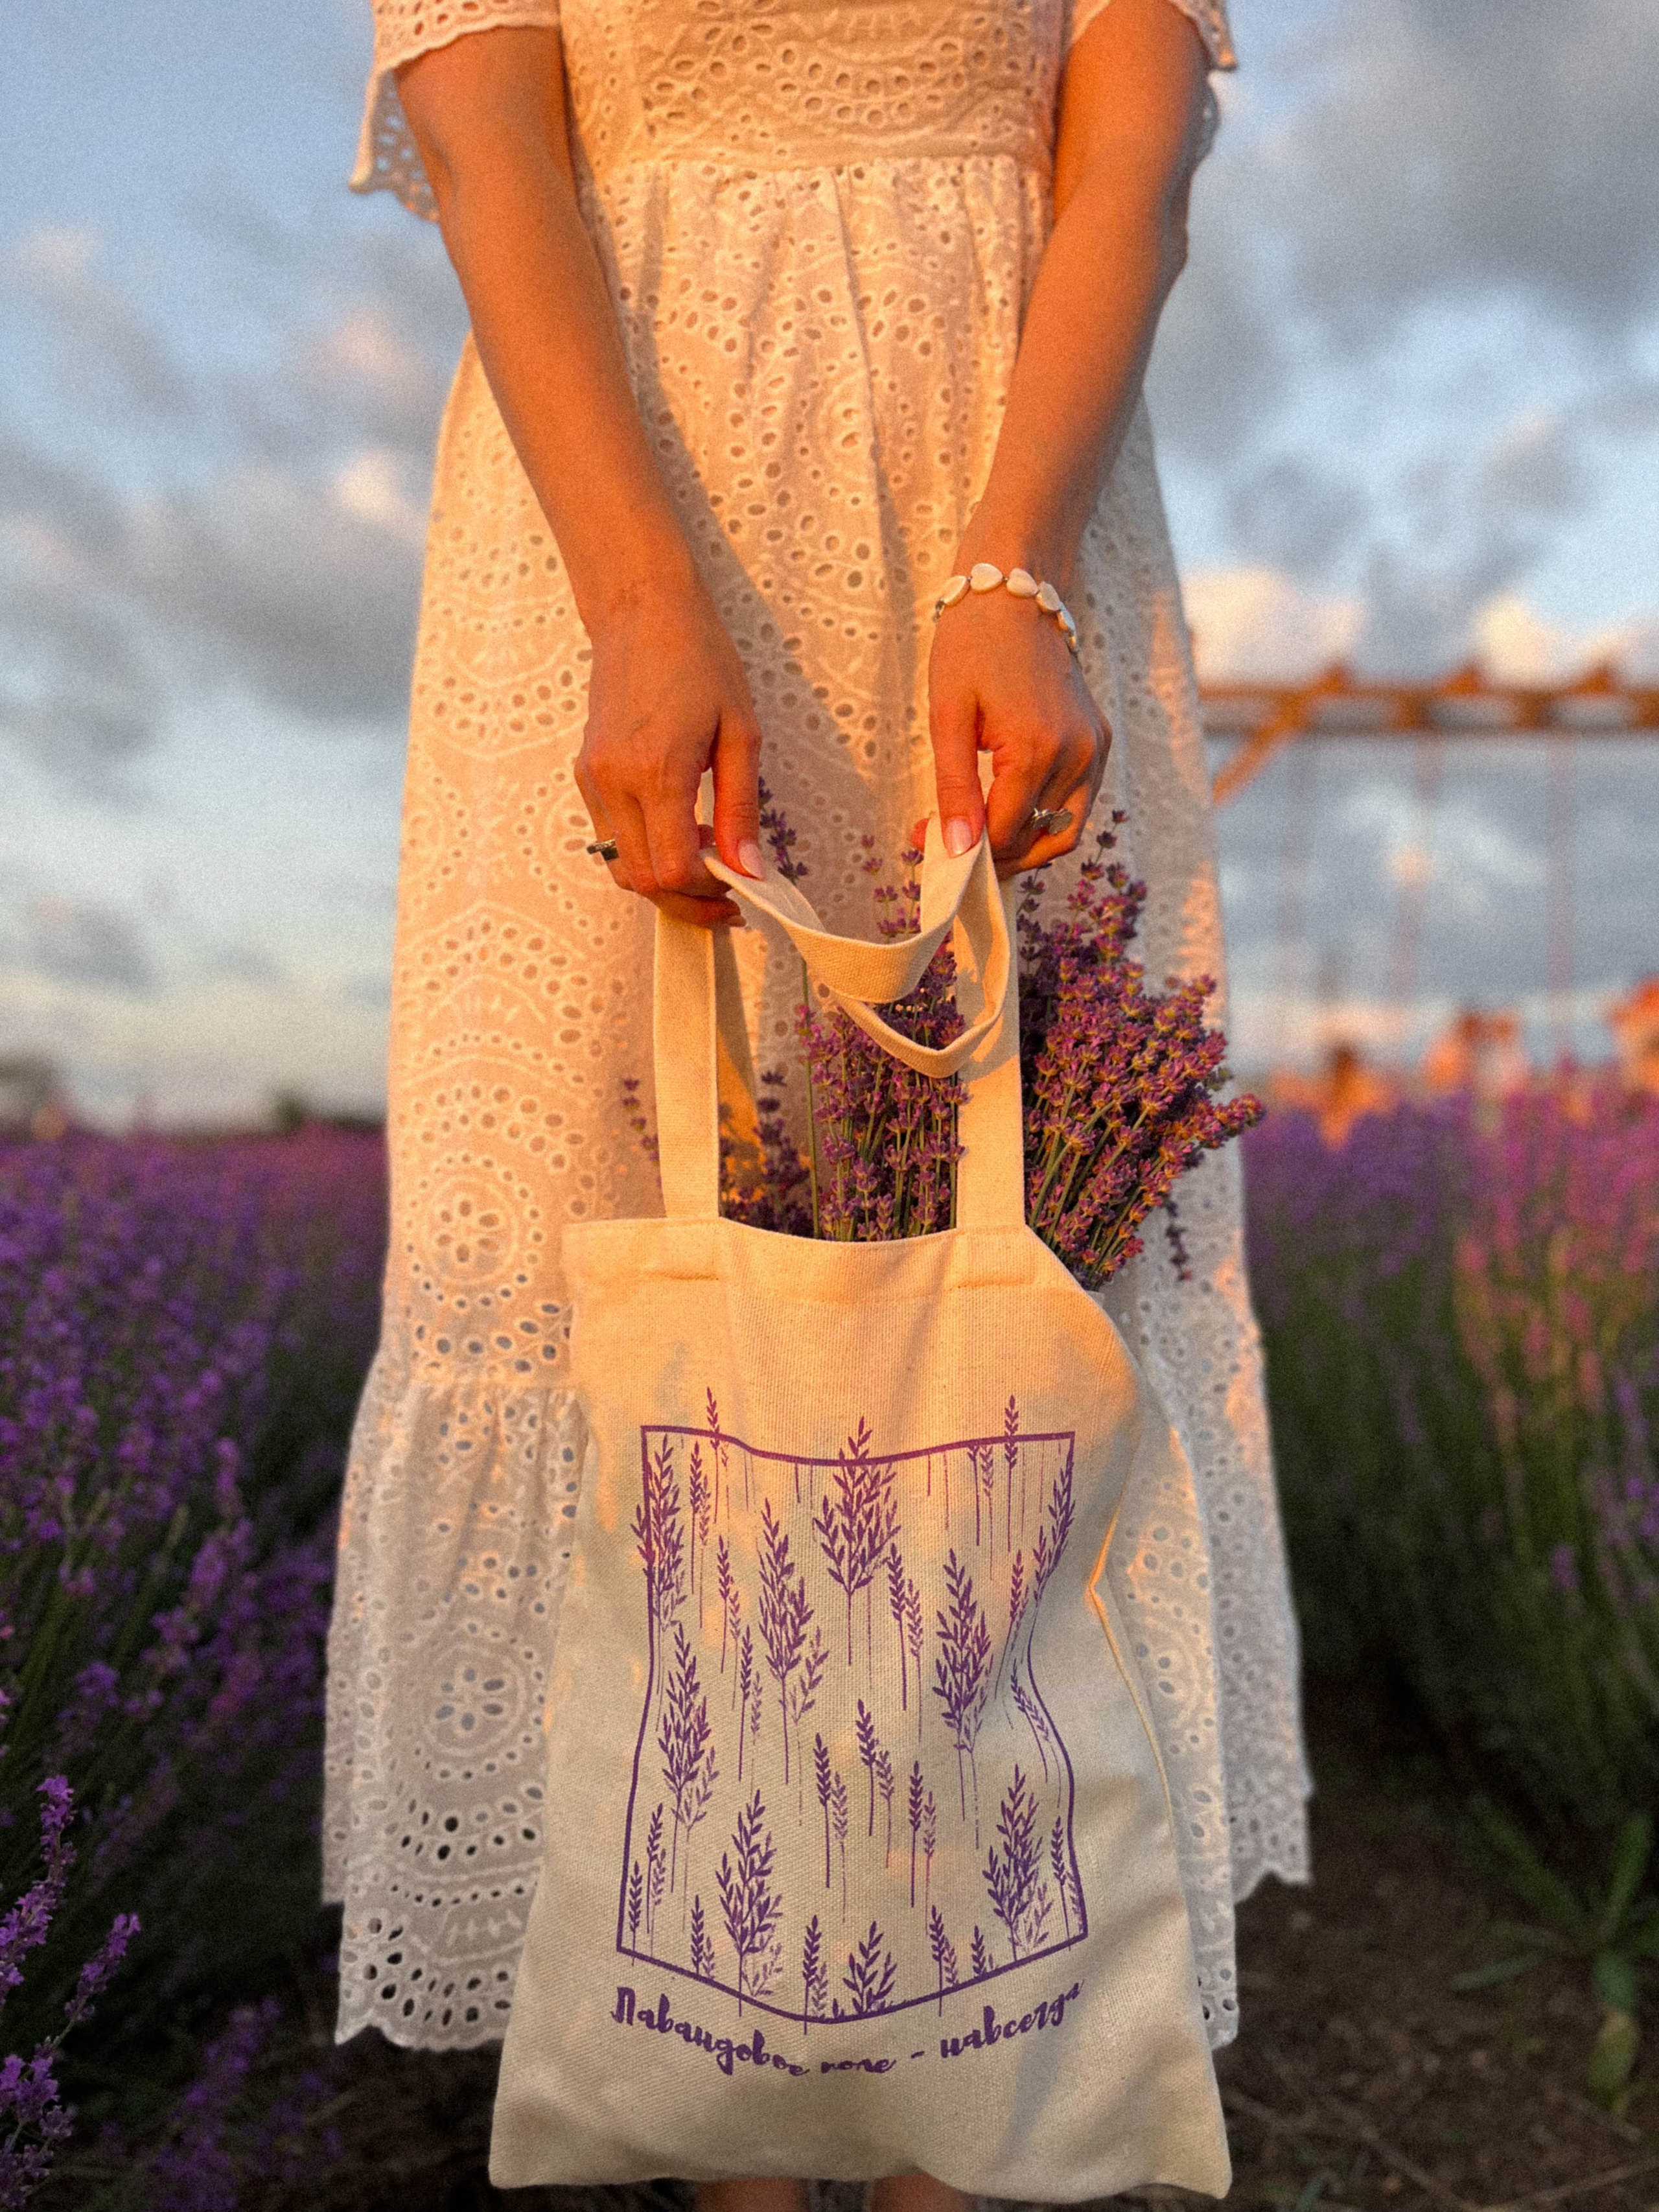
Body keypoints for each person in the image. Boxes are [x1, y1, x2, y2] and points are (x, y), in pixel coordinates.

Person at [323, 0, 1309, 2199]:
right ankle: (733, 2108)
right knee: (653, 1288)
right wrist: (646, 602)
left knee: (1003, 1308)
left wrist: (1012, 562)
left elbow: (1128, 161)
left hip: (1006, 507)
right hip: (624, 504)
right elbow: (495, 147)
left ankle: (972, 2088)